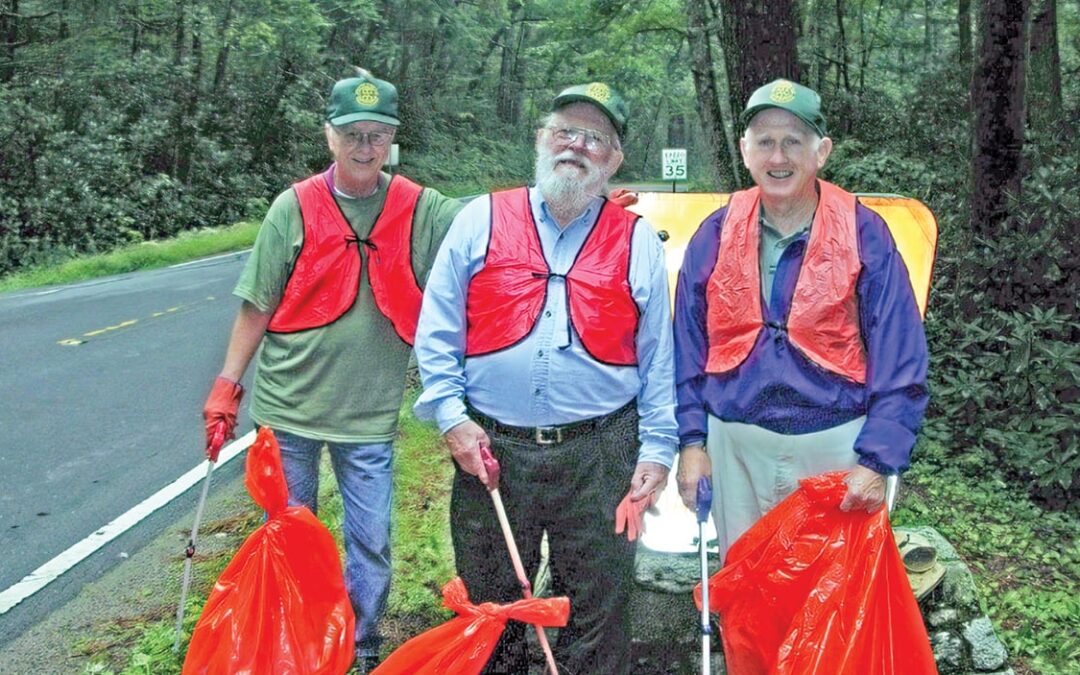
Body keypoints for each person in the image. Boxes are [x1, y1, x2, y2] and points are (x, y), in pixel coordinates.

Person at [200, 70, 463, 672]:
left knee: (370, 541)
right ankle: (294, 642)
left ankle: (360, 647)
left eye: (376, 135)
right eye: (352, 135)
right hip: (288, 408)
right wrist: (226, 386)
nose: (364, 148)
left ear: (393, 138)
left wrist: (570, 207)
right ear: (329, 136)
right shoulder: (292, 207)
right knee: (290, 536)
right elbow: (257, 303)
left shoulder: (420, 208)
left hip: (367, 416)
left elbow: (493, 225)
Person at [412, 82, 678, 674]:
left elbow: (660, 358)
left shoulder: (637, 241)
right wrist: (453, 421)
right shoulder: (478, 217)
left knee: (600, 607)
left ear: (613, 160)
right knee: (492, 605)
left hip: (603, 451)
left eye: (596, 139)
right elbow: (437, 332)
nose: (577, 146)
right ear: (541, 139)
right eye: (565, 131)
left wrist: (658, 452)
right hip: (490, 447)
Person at [673, 79, 929, 561]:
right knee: (746, 590)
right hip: (735, 446)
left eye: (794, 140)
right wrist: (691, 442)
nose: (778, 156)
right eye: (765, 142)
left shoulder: (864, 232)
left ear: (822, 151)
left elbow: (902, 355)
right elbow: (687, 349)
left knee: (830, 601)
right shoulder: (714, 232)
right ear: (745, 151)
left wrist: (878, 461)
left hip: (834, 446)